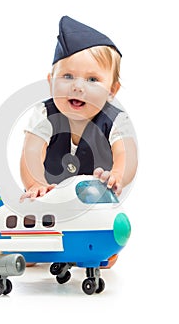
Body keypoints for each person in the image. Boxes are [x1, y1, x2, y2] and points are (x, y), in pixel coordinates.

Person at [20, 16, 137, 202]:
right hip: (50, 200)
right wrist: (36, 184)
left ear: (111, 90)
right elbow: (32, 151)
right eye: (67, 76)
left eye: (92, 80)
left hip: (95, 202)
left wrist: (117, 175)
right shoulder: (45, 114)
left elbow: (126, 153)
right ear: (51, 82)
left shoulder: (115, 120)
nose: (78, 87)